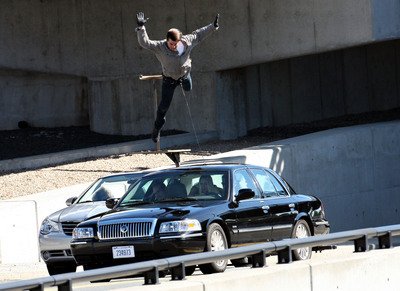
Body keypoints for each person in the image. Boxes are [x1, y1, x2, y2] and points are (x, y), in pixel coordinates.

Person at [136, 12, 220, 142]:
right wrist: (141, 28)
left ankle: (186, 77)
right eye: (171, 44)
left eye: (176, 44)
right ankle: (157, 128)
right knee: (163, 106)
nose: (174, 46)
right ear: (167, 40)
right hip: (169, 80)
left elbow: (198, 34)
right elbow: (145, 43)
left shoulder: (187, 42)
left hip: (184, 75)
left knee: (188, 88)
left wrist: (213, 26)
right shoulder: (160, 47)